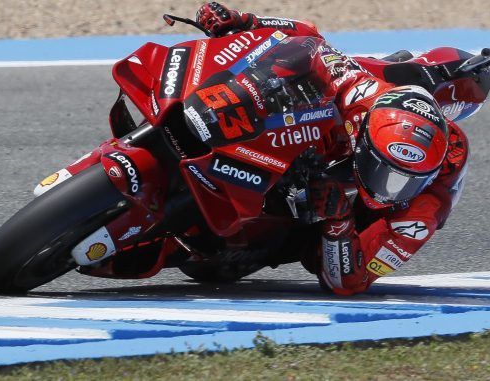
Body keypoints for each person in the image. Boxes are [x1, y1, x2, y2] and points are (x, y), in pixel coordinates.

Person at [195, 2, 471, 295]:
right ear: (365, 141)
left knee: (314, 247)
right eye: (383, 172)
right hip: (330, 142)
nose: (387, 190)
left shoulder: (422, 212)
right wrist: (244, 21)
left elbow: (349, 282)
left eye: (404, 182)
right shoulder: (361, 96)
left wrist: (338, 221)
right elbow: (314, 42)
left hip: (338, 219)